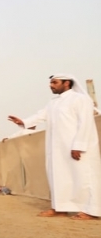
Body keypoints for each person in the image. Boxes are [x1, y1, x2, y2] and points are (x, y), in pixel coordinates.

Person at [8, 73, 101, 220]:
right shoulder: (53, 103)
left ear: (67, 83)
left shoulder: (81, 99)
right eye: (51, 83)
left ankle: (90, 210)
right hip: (57, 149)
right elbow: (40, 116)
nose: (51, 85)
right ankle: (60, 208)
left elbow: (86, 123)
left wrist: (78, 145)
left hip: (78, 146)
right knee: (59, 177)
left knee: (83, 177)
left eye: (55, 82)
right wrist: (24, 122)